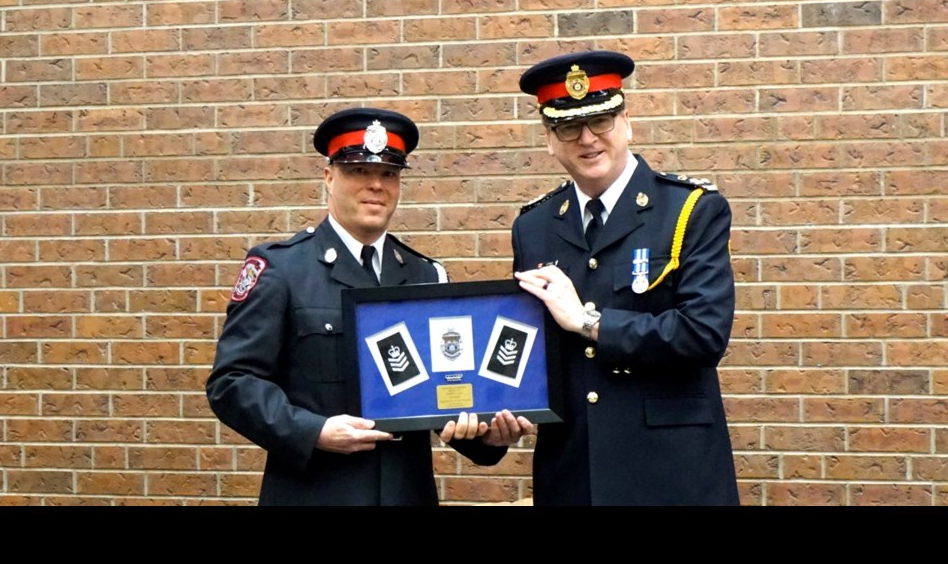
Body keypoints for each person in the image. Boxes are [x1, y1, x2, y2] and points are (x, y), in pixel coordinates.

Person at [206, 107, 523, 505]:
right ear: (328, 177)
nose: (376, 184)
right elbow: (232, 382)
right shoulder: (282, 269)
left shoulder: (425, 276)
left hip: (406, 494)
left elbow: (444, 392)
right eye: (358, 171)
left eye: (389, 174)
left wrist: (486, 435)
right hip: (314, 494)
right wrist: (312, 431)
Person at [510, 50, 740, 505]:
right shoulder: (533, 227)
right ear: (549, 140)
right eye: (568, 127)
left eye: (601, 121)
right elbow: (529, 348)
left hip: (670, 473)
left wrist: (588, 322)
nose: (587, 139)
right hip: (574, 473)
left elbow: (703, 334)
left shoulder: (690, 210)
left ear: (626, 121)